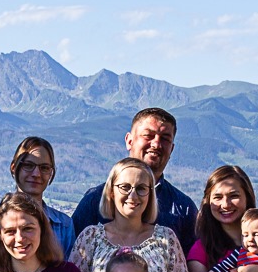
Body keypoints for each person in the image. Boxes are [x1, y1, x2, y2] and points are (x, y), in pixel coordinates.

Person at [70, 108, 198, 251]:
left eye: (165, 138)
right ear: (129, 141)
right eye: (148, 135)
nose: (156, 144)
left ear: (172, 149)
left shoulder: (183, 208)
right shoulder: (95, 199)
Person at [69, 158, 190, 272]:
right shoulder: (90, 238)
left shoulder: (166, 240)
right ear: (111, 192)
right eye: (125, 187)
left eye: (141, 188)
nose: (133, 196)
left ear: (150, 194)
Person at [9, 136, 76, 255]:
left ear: (51, 173)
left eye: (44, 168)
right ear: (14, 168)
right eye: (28, 165)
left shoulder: (64, 225)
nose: (36, 174)